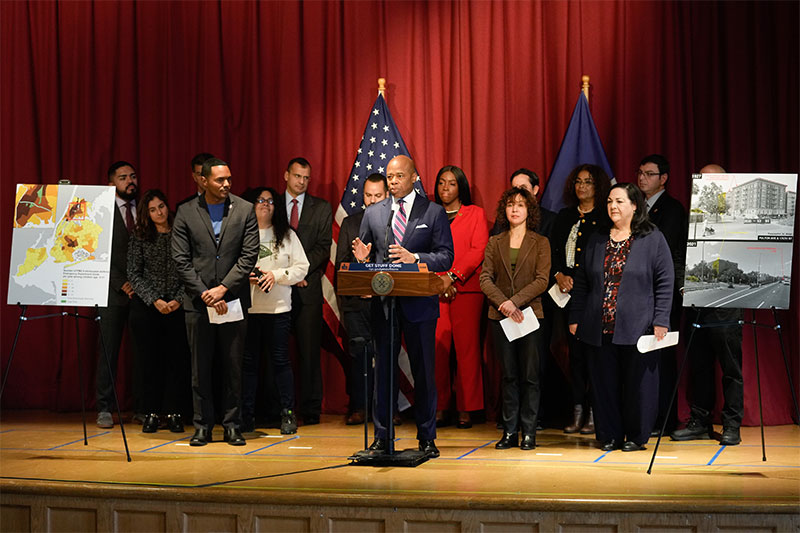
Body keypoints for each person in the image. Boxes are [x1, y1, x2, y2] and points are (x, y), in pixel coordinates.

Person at [352, 155, 454, 458]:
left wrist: (416, 258)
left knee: (423, 371)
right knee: (383, 371)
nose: (393, 181)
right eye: (389, 176)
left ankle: (426, 437)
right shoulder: (374, 213)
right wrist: (362, 259)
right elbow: (368, 255)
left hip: (419, 304)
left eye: (398, 176)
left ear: (413, 178)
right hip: (385, 306)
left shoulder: (433, 212)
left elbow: (446, 256)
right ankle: (383, 437)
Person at [569, 183, 674, 452]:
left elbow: (665, 281)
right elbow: (581, 283)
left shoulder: (652, 238)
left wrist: (661, 319)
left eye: (619, 201)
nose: (612, 206)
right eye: (609, 201)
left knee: (638, 386)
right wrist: (576, 316)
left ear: (635, 205)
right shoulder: (596, 237)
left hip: (639, 326)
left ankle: (636, 437)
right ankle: (610, 434)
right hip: (599, 326)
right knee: (604, 385)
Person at [172, 157, 259, 446]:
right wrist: (204, 292)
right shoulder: (185, 211)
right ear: (203, 180)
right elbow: (181, 260)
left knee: (233, 368)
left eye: (229, 179)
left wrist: (222, 289)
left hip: (232, 300)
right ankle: (202, 426)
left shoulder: (245, 209)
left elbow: (249, 255)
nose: (226, 184)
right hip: (198, 304)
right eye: (220, 180)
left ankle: (232, 425)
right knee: (200, 369)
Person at [671, 163, 744, 446]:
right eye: (703, 182)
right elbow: (678, 256)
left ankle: (732, 424)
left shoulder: (739, 220)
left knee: (730, 367)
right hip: (696, 302)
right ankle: (700, 421)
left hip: (727, 305)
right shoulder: (691, 219)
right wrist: (682, 285)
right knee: (698, 365)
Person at [480, 187, 550, 450]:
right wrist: (504, 305)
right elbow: (485, 278)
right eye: (510, 204)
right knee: (508, 375)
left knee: (530, 376)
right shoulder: (494, 242)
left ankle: (529, 432)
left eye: (521, 205)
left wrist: (515, 303)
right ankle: (509, 431)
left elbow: (542, 280)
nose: (515, 209)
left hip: (530, 315)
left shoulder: (540, 242)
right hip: (500, 317)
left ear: (529, 211)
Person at [549, 164, 611, 435]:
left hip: (594, 294)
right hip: (564, 294)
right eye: (578, 181)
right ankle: (577, 410)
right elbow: (550, 251)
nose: (582, 186)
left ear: (598, 186)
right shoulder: (563, 216)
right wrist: (558, 274)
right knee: (574, 356)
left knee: (594, 356)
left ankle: (596, 413)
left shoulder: (606, 217)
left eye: (588, 182)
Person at [241, 187, 309, 435]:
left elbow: (302, 267)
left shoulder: (287, 235)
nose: (265, 204)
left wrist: (276, 276)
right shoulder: (241, 233)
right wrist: (244, 277)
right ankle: (245, 416)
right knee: (248, 365)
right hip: (249, 310)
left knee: (281, 362)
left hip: (278, 309)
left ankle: (288, 414)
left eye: (270, 201)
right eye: (260, 200)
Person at [127, 189, 190, 434]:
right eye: (152, 209)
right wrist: (154, 299)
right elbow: (134, 272)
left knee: (177, 361)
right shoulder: (140, 235)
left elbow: (192, 269)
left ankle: (174, 413)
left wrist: (177, 299)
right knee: (149, 362)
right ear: (146, 213)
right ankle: (151, 413)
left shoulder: (182, 233)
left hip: (178, 306)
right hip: (147, 307)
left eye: (161, 207)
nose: (159, 213)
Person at [433, 165, 488, 429]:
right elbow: (424, 249)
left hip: (467, 289)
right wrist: (439, 281)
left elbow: (478, 249)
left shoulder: (475, 213)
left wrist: (452, 277)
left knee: (467, 350)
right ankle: (441, 405)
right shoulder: (430, 214)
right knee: (438, 351)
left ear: (461, 187)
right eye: (442, 183)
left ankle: (468, 408)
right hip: (434, 289)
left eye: (452, 183)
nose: (445, 188)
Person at [637, 154, 688, 435]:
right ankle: (643, 416)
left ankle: (665, 420)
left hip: (662, 295)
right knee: (642, 359)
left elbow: (664, 253)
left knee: (663, 359)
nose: (642, 177)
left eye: (649, 173)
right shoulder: (637, 207)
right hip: (638, 295)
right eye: (640, 172)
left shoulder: (672, 209)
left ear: (663, 179)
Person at [282, 157, 332, 426]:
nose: (301, 181)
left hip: (307, 289)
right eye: (297, 176)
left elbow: (324, 247)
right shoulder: (270, 205)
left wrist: (299, 273)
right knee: (275, 353)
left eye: (306, 178)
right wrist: (285, 275)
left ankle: (311, 408)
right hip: (275, 290)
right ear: (286, 175)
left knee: (309, 352)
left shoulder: (321, 208)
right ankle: (278, 407)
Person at [334, 173, 388, 425]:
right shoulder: (350, 223)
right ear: (362, 196)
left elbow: (396, 264)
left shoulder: (395, 223)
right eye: (369, 195)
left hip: (385, 302)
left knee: (387, 355)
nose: (373, 200)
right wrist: (360, 263)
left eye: (378, 195)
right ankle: (359, 407)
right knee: (359, 356)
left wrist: (377, 289)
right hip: (356, 304)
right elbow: (341, 266)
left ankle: (388, 408)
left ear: (387, 196)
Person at [96, 161, 138, 428]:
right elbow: (96, 252)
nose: (130, 181)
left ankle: (142, 407)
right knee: (108, 351)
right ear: (112, 184)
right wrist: (121, 282)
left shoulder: (145, 208)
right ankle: (103, 407)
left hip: (143, 294)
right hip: (111, 292)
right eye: (123, 178)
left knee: (142, 353)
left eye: (133, 176)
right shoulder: (100, 211)